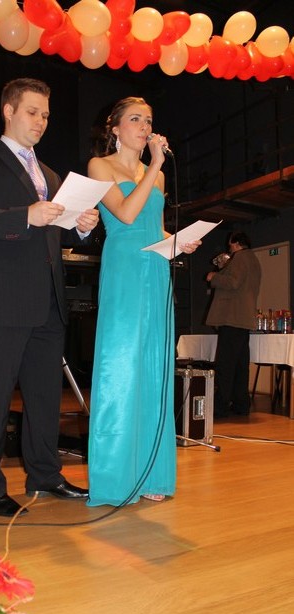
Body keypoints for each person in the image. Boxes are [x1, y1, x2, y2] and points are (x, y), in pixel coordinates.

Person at [0, 78, 99, 518]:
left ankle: (45, 474)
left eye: (46, 115)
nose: (41, 121)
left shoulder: (51, 176)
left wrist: (80, 227)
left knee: (44, 398)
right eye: (33, 112)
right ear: (9, 110)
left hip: (48, 302)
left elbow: (51, 233)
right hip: (2, 300)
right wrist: (26, 216)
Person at [86, 97, 200, 507]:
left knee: (155, 368)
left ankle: (152, 473)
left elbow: (155, 227)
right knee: (121, 367)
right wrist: (154, 165)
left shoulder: (158, 176)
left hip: (155, 271)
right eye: (135, 119)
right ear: (115, 127)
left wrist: (179, 241)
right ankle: (116, 477)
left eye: (148, 120)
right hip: (124, 271)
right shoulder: (100, 166)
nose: (144, 126)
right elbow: (126, 215)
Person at [206, 231, 261, 418]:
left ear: (236, 243)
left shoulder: (240, 257)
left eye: (230, 245)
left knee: (226, 365)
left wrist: (214, 276)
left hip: (232, 317)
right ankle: (241, 404)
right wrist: (224, 268)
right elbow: (240, 283)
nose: (229, 248)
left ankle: (220, 407)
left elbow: (234, 282)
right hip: (243, 319)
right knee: (240, 365)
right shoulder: (253, 259)